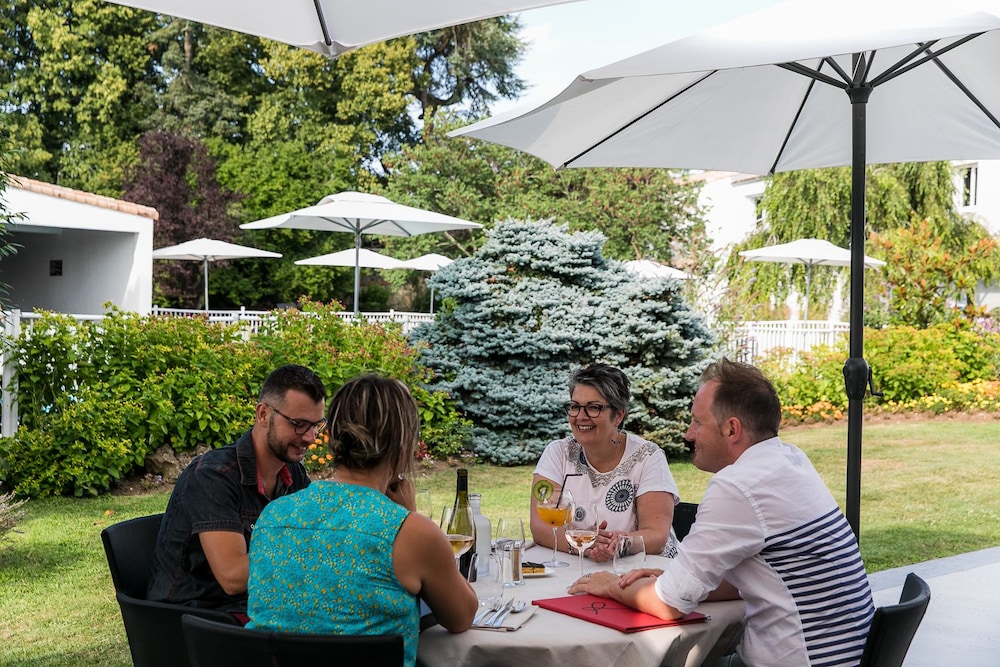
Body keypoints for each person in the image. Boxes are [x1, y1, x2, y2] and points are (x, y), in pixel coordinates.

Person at [568, 358, 874, 667]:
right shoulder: (790, 461)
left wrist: (608, 584)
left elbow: (668, 604)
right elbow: (737, 582)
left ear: (731, 429)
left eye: (697, 423)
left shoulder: (738, 486)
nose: (689, 434)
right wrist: (672, 579)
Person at [246, 374, 477, 666]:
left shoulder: (273, 516)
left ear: (333, 440)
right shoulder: (409, 532)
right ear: (402, 446)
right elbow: (461, 616)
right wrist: (410, 515)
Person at [147, 364, 325, 620]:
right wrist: (312, 548)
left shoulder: (293, 473)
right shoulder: (213, 476)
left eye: (316, 425)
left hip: (258, 607)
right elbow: (233, 577)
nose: (310, 437)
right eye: (299, 424)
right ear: (263, 414)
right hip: (200, 621)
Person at [531, 363, 678, 563]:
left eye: (594, 408)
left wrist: (619, 544)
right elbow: (540, 526)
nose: (580, 417)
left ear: (618, 415)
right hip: (582, 567)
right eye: (575, 407)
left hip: (646, 570)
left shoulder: (648, 457)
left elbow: (656, 535)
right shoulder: (558, 453)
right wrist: (582, 544)